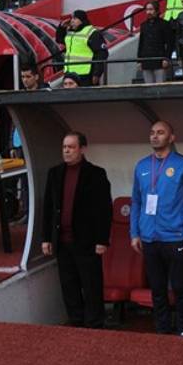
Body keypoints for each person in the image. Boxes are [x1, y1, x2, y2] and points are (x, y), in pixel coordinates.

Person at [130, 121, 183, 336]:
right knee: (157, 288)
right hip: (150, 237)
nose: (155, 136)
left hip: (175, 236)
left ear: (172, 138)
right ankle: (162, 328)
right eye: (152, 133)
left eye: (160, 133)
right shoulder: (142, 166)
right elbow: (137, 201)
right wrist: (134, 233)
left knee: (180, 287)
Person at [42, 132, 112, 329]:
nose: (66, 151)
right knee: (68, 284)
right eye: (64, 147)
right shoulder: (54, 173)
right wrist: (46, 238)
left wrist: (102, 240)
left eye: (71, 147)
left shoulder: (96, 174)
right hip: (62, 242)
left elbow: (104, 209)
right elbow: (47, 207)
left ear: (82, 149)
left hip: (87, 241)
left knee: (91, 285)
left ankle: (95, 323)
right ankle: (76, 321)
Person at [56, 10, 108, 86]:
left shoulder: (92, 32)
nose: (72, 21)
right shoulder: (71, 32)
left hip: (86, 75)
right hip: (70, 74)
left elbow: (102, 53)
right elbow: (59, 39)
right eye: (71, 18)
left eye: (75, 18)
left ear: (82, 20)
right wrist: (61, 27)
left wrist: (97, 74)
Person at [137, 1, 174, 83]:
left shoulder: (164, 24)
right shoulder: (144, 25)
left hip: (159, 60)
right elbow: (141, 43)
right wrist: (139, 60)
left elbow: (170, 43)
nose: (148, 12)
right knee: (149, 87)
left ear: (157, 10)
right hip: (146, 59)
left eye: (151, 9)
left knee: (160, 87)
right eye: (146, 10)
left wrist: (166, 58)